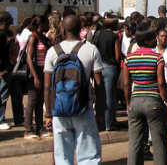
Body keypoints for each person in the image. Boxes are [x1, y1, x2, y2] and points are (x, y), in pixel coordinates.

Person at [43, 15, 106, 164]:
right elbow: (98, 84)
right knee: (89, 155)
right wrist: (101, 112)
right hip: (84, 108)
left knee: (62, 156)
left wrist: (48, 114)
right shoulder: (90, 50)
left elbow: (47, 87)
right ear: (81, 30)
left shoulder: (53, 51)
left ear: (62, 30)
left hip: (59, 110)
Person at [123, 23, 167, 165]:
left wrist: (128, 104)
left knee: (134, 144)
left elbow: (126, 84)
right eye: (153, 38)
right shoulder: (157, 58)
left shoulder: (129, 58)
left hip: (135, 101)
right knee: (159, 144)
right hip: (153, 102)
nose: (156, 41)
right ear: (147, 40)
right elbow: (161, 83)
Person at [24, 15, 51, 139]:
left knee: (40, 101)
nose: (48, 26)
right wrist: (35, 76)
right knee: (32, 101)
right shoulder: (33, 37)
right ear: (41, 25)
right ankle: (28, 129)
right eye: (47, 24)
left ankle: (40, 128)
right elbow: (29, 58)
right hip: (35, 72)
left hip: (43, 71)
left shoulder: (43, 37)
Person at [94, 17, 121, 131]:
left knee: (100, 95)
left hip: (98, 67)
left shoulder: (98, 34)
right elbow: (117, 56)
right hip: (110, 67)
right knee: (110, 97)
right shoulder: (114, 36)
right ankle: (109, 124)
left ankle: (99, 121)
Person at [0, 12, 14, 131]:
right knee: (2, 96)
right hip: (3, 69)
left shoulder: (8, 33)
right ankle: (1, 119)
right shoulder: (1, 35)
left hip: (8, 67)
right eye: (10, 18)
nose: (12, 19)